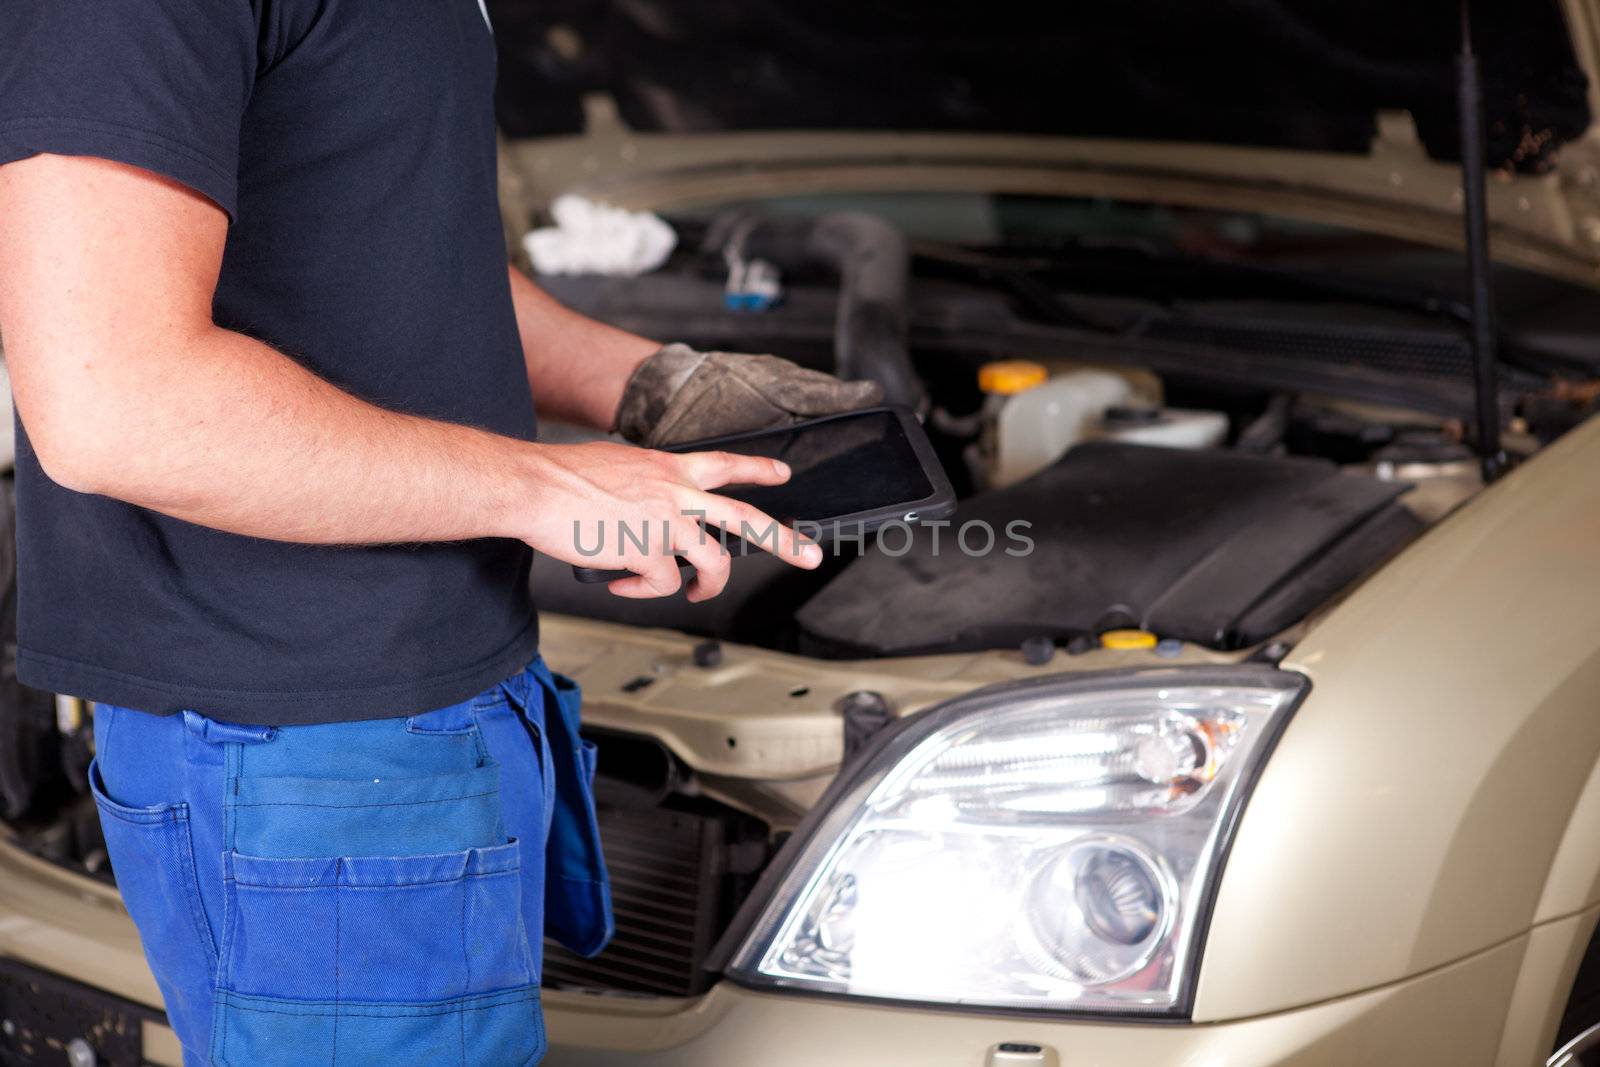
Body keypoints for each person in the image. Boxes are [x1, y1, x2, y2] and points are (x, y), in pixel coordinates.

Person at [0, 2, 880, 1064]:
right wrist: (543, 485)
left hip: (435, 699)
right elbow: (118, 403)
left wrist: (649, 385)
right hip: (304, 752)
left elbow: (392, 236)